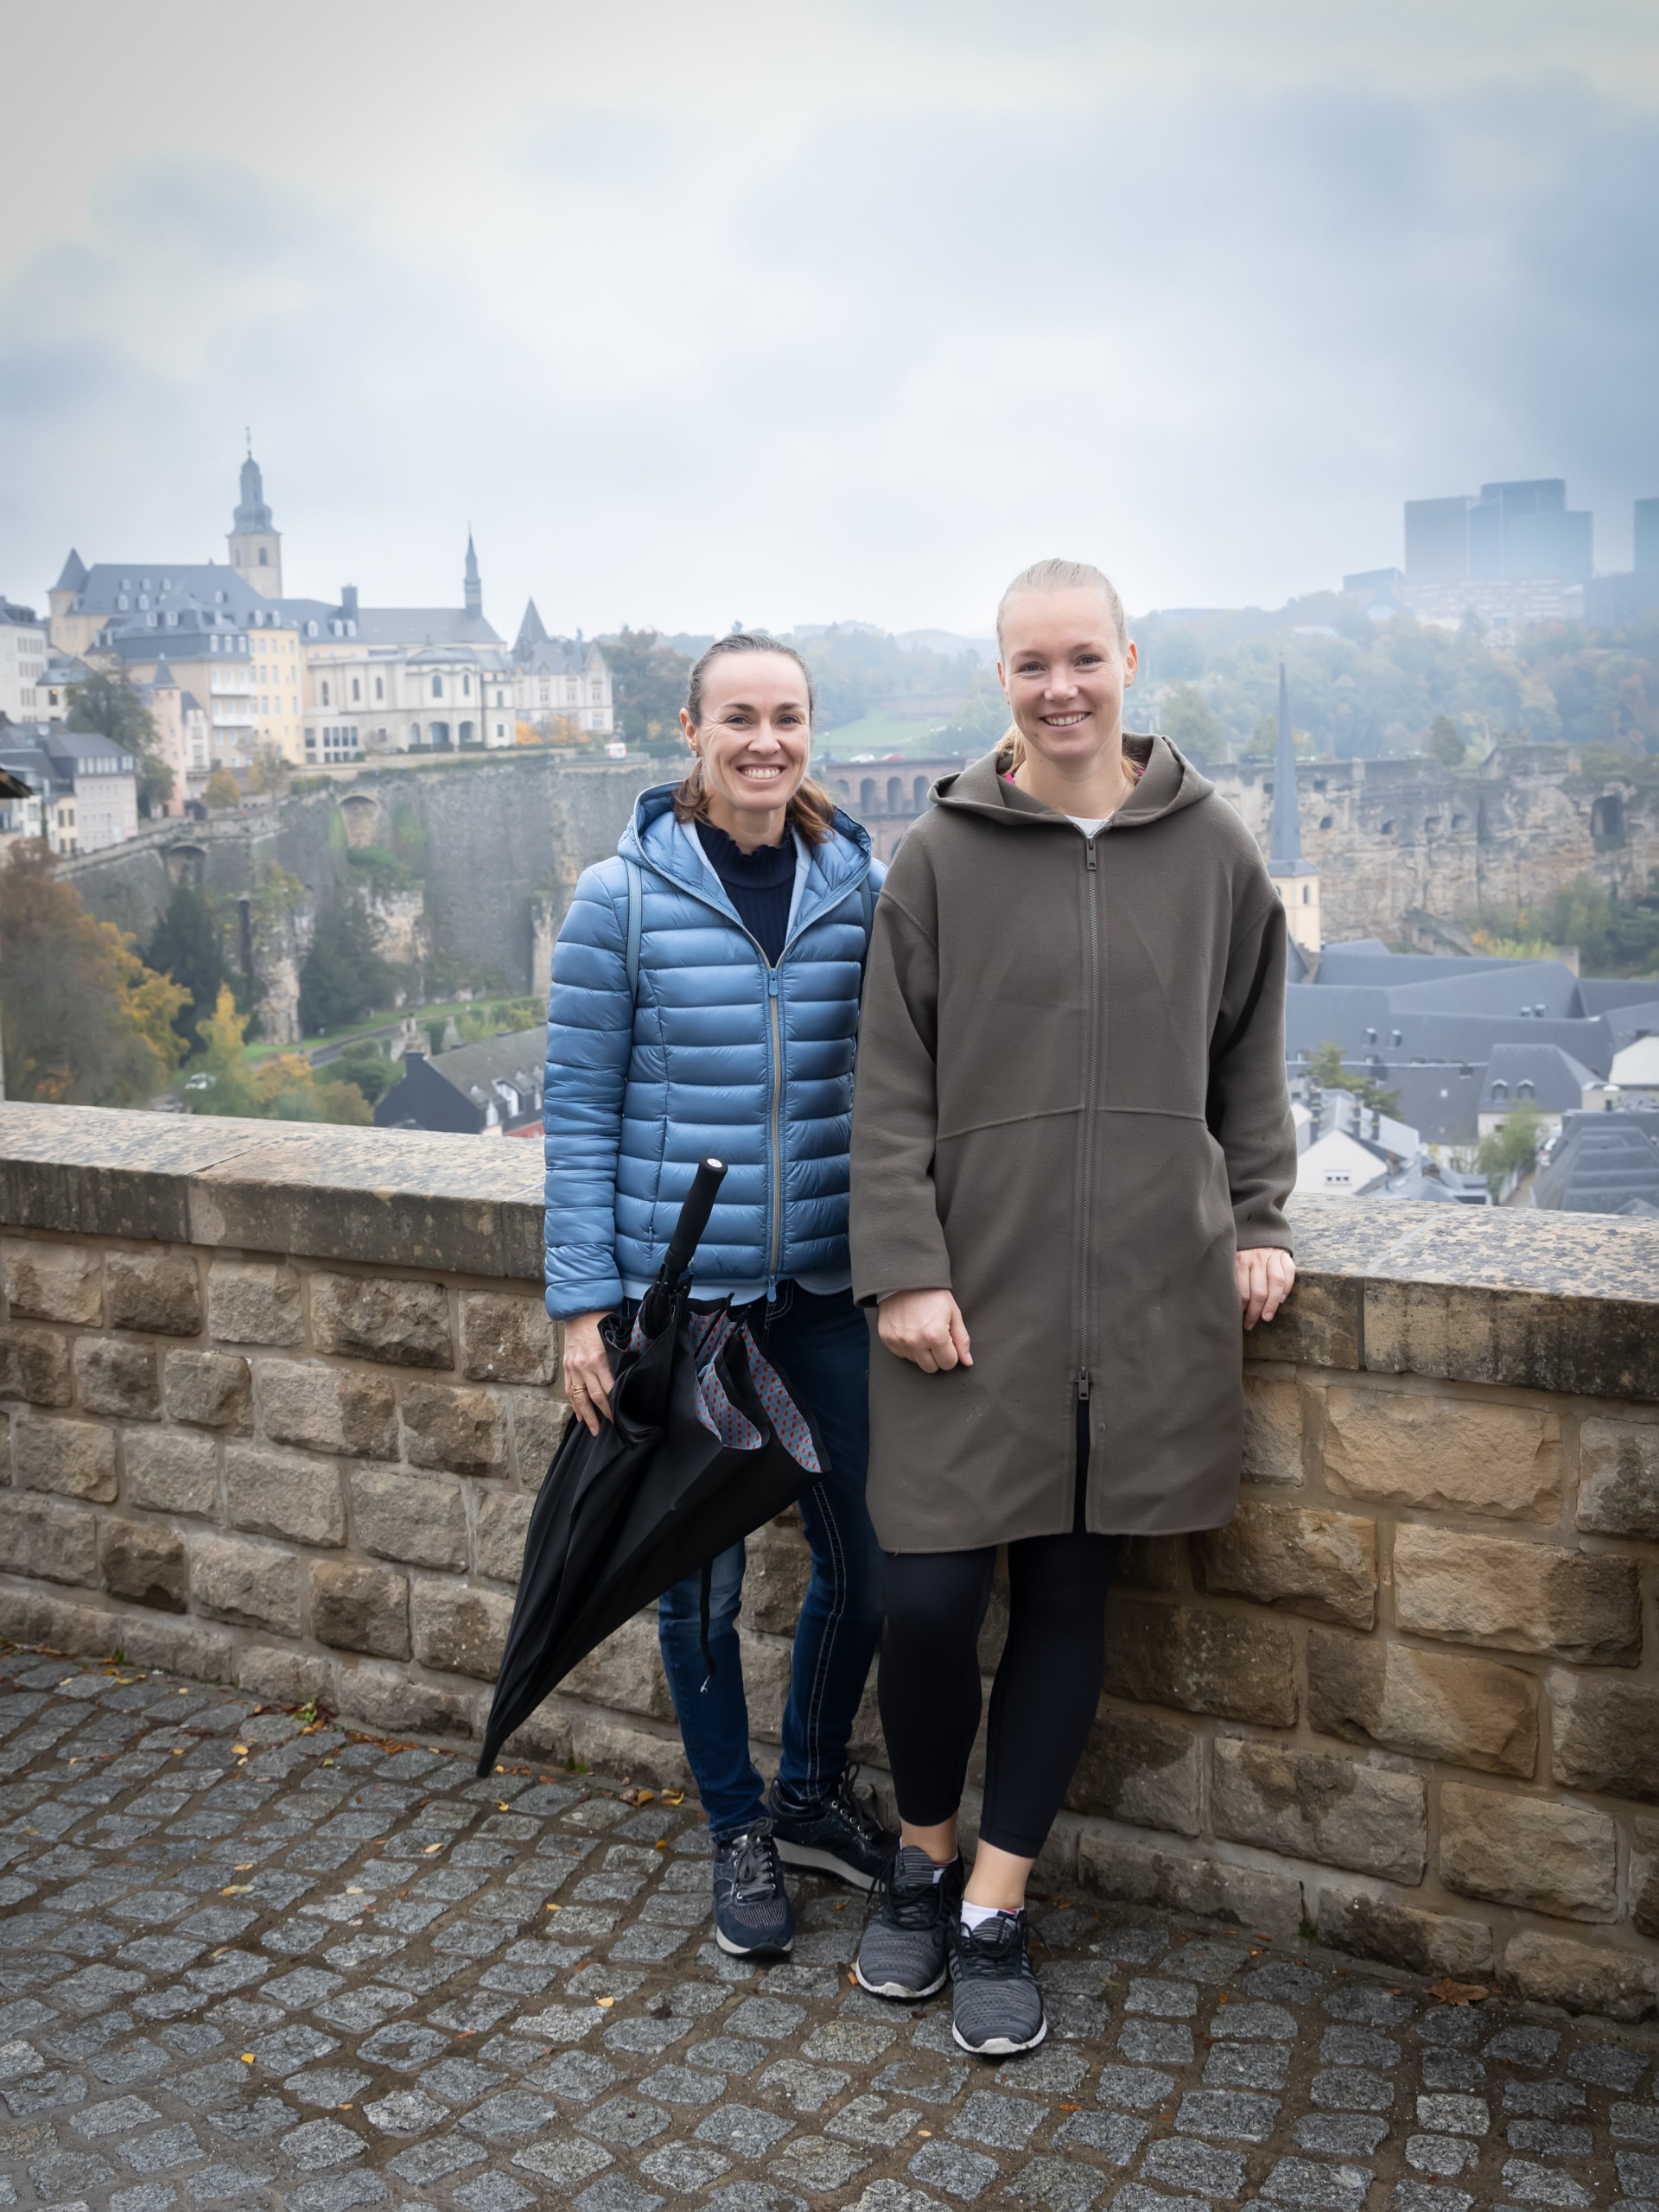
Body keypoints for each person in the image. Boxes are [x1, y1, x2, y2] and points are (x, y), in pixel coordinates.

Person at [849, 557, 1297, 2053]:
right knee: (922, 1601)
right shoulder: (939, 857)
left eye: (1084, 659)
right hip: (969, 1300)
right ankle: (917, 1851)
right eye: (1032, 664)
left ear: (1127, 663)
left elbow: (1250, 1057)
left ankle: (992, 1904)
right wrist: (905, 1265)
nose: (1062, 688)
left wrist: (1257, 1221)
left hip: (1143, 1312)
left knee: (1066, 1603)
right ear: (1001, 682)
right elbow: (889, 1078)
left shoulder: (1214, 849)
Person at [543, 631, 894, 1959]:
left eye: (788, 717)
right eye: (738, 716)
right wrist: (583, 1308)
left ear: (813, 731)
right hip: (680, 1306)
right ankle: (736, 1825)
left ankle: (809, 1790)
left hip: (818, 1287)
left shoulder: (857, 883)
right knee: (695, 1594)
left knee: (868, 1566)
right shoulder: (618, 899)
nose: (766, 740)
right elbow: (575, 1110)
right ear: (688, 730)